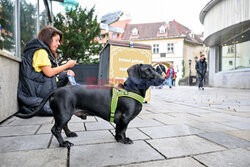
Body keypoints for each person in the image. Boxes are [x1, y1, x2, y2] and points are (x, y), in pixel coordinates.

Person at [17, 26, 76, 116]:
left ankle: (54, 100)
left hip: (41, 89)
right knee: (59, 109)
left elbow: (52, 73)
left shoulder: (44, 51)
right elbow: (49, 73)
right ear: (48, 38)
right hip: (35, 94)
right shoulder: (41, 51)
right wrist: (67, 65)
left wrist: (67, 72)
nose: (59, 43)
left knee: (64, 76)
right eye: (56, 40)